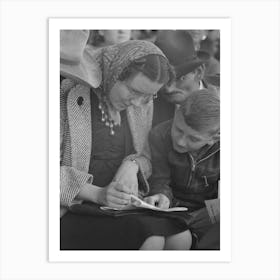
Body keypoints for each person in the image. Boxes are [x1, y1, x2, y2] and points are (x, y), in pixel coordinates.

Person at [60, 30, 191, 250]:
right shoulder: (66, 93)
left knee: (181, 235)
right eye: (133, 91)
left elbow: (147, 156)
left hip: (117, 210)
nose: (139, 102)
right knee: (151, 238)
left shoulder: (142, 104)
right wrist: (98, 194)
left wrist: (133, 165)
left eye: (148, 96)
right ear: (114, 71)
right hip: (72, 208)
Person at [145, 89, 220, 249]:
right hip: (172, 209)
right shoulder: (159, 135)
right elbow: (160, 179)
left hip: (207, 213)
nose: (180, 141)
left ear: (213, 139)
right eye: (178, 129)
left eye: (193, 138)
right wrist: (161, 195)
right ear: (176, 113)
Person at [152, 30, 217, 127]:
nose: (168, 89)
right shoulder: (146, 104)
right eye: (162, 79)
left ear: (199, 72)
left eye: (179, 78)